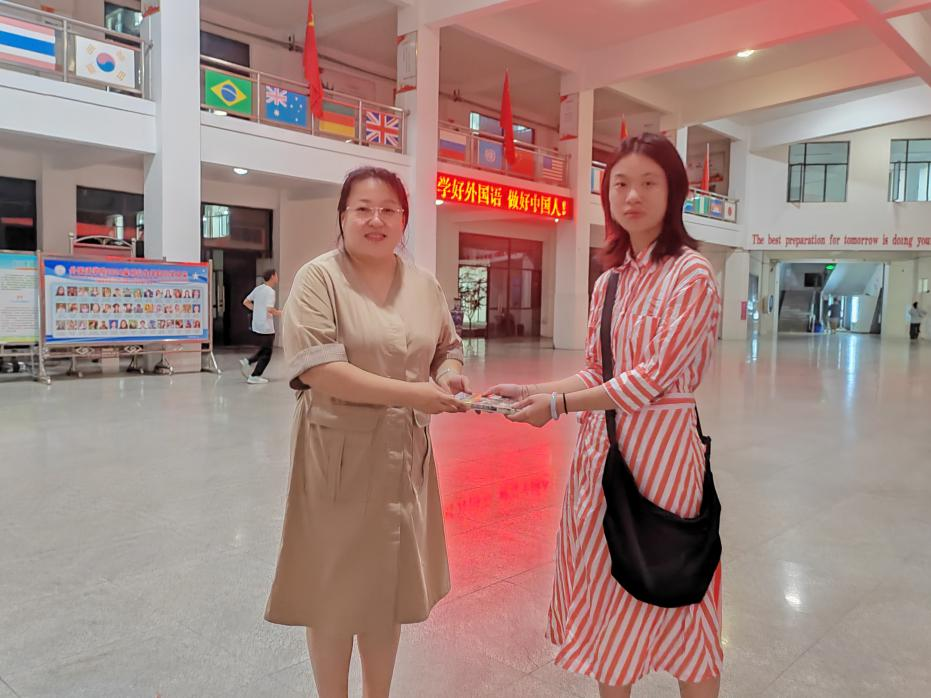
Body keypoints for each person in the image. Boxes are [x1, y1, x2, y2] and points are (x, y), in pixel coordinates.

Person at [489, 134, 723, 698]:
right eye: (621, 183)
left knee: (680, 589)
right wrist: (534, 390)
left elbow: (652, 379)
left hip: (666, 461)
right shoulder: (609, 282)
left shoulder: (692, 275)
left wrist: (556, 407)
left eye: (648, 183)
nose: (632, 195)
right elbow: (597, 370)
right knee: (608, 588)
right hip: (604, 454)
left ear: (673, 192)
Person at [265, 166, 470, 698]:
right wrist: (414, 394)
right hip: (337, 457)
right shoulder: (319, 279)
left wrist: (449, 374)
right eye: (362, 209)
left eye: (388, 210)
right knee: (333, 592)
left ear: (404, 219)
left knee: (387, 588)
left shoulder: (423, 285)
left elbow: (447, 347)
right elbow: (319, 369)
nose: (375, 220)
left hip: (403, 457)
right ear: (342, 216)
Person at [240, 269, 282, 384]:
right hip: (266, 326)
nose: (277, 277)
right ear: (272, 276)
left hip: (257, 325)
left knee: (265, 348)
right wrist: (282, 313)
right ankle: (254, 376)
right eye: (276, 275)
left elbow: (246, 302)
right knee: (267, 354)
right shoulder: (270, 292)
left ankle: (248, 361)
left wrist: (257, 310)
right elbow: (270, 309)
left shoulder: (258, 289)